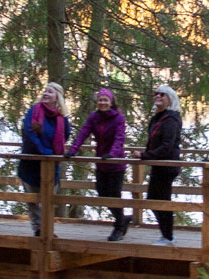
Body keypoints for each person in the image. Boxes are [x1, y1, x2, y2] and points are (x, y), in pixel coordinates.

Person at [69, 87, 131, 241]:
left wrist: (113, 154)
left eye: (105, 100)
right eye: (100, 100)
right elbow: (84, 132)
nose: (102, 103)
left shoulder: (118, 118)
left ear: (111, 102)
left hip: (116, 163)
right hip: (101, 163)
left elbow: (119, 138)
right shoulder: (94, 117)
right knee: (102, 193)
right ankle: (123, 220)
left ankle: (118, 228)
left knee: (114, 195)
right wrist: (73, 149)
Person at [17, 83, 69, 234]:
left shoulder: (61, 117)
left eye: (50, 92)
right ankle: (39, 230)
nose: (46, 94)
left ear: (57, 97)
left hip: (51, 163)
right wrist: (44, 151)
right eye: (45, 91)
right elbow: (29, 132)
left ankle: (47, 229)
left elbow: (66, 134)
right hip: (31, 161)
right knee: (33, 200)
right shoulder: (34, 111)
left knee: (49, 198)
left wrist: (54, 151)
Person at [139, 83, 184, 243]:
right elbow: (152, 141)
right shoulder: (157, 118)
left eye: (162, 94)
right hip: (158, 165)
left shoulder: (171, 119)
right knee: (154, 199)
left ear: (169, 99)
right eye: (156, 93)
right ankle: (166, 234)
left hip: (167, 166)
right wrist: (145, 154)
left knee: (162, 200)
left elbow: (167, 146)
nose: (158, 96)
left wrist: (145, 156)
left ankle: (168, 236)